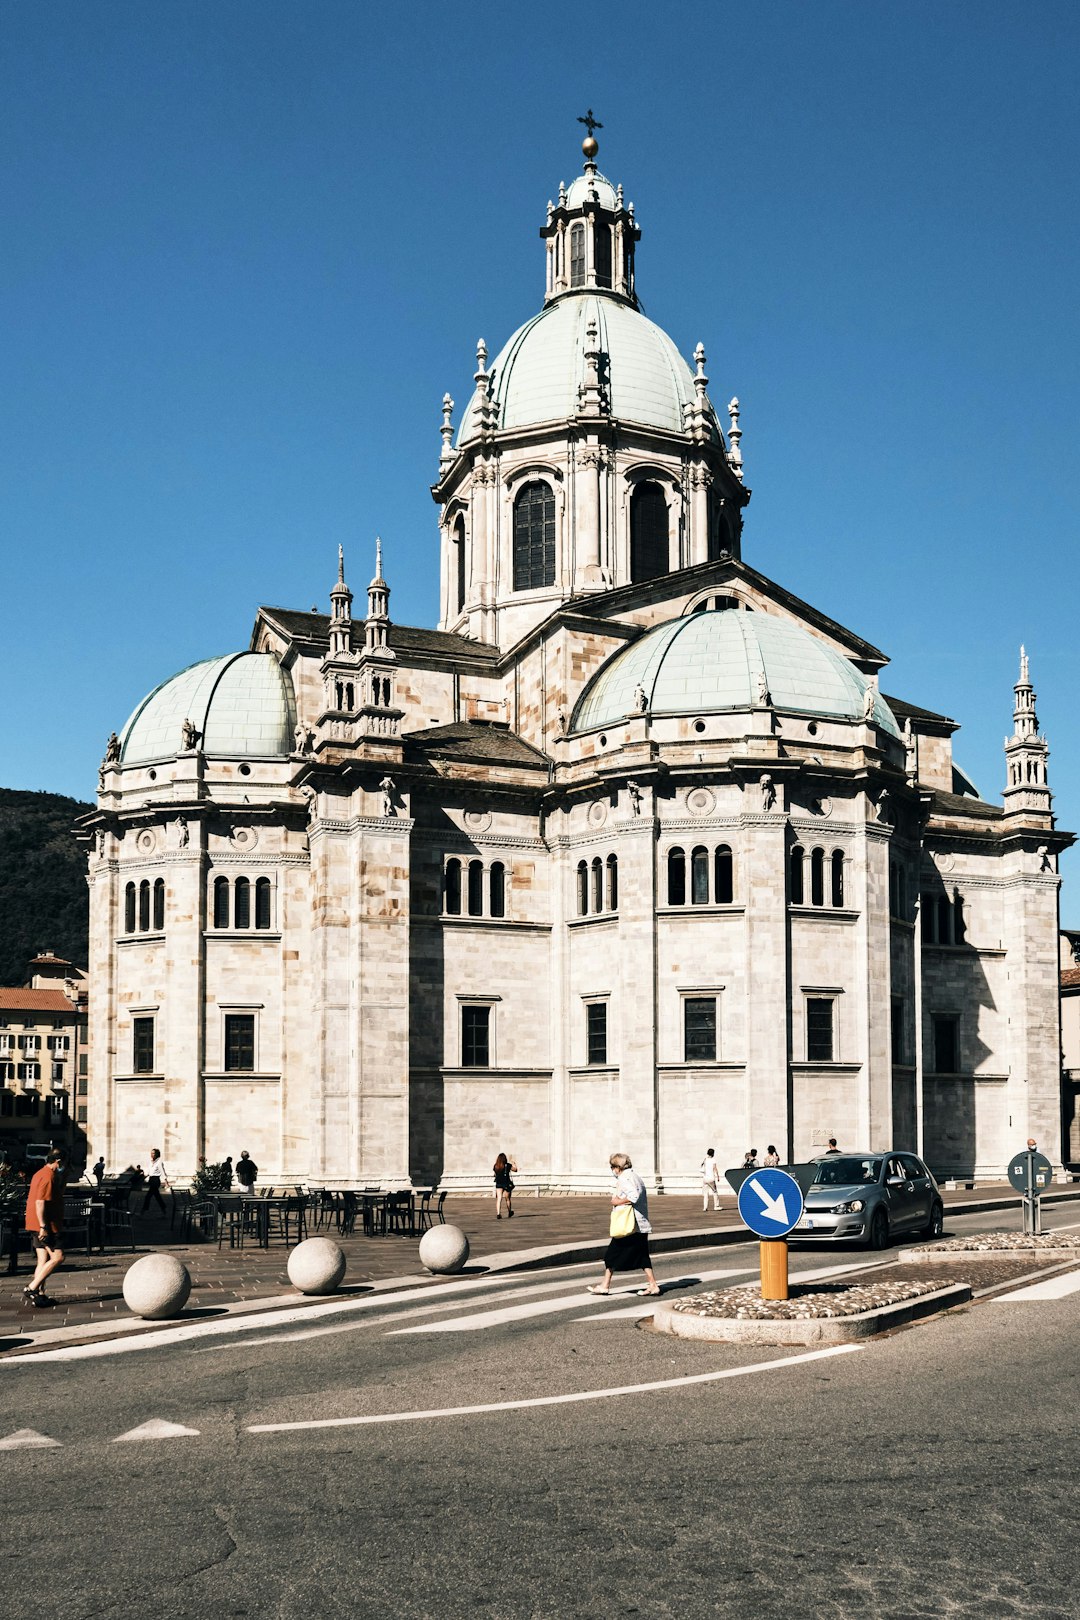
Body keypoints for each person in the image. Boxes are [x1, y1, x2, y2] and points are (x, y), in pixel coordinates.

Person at [587, 1152, 660, 1297]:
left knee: (611, 1255)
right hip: (639, 1224)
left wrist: (616, 1201)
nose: (613, 1171)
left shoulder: (624, 1178)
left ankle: (605, 1286)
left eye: (612, 1167)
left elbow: (633, 1196)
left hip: (629, 1225)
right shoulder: (635, 1176)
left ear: (616, 1167)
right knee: (642, 1256)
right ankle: (652, 1285)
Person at [23, 1148, 66, 1308]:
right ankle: (32, 1288)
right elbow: (40, 1202)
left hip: (35, 1222)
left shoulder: (39, 1173)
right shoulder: (48, 1176)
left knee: (43, 1259)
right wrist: (43, 1227)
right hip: (47, 1225)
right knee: (58, 1258)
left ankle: (39, 1296)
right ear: (59, 1161)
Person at [141, 1148, 169, 1215]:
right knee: (157, 1196)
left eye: (153, 1153)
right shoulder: (151, 1162)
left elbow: (162, 1171)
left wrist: (166, 1182)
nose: (152, 1155)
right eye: (151, 1153)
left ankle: (143, 1211)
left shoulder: (159, 1162)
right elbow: (149, 1172)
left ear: (157, 1154)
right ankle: (164, 1210)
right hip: (151, 1180)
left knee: (148, 1196)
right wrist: (143, 1177)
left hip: (156, 1180)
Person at [493, 1152, 517, 1218]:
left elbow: (495, 1174)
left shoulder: (496, 1166)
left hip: (499, 1183)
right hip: (506, 1183)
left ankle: (498, 1213)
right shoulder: (507, 1165)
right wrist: (514, 1164)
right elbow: (515, 1170)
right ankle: (509, 1212)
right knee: (508, 1199)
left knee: (499, 1199)